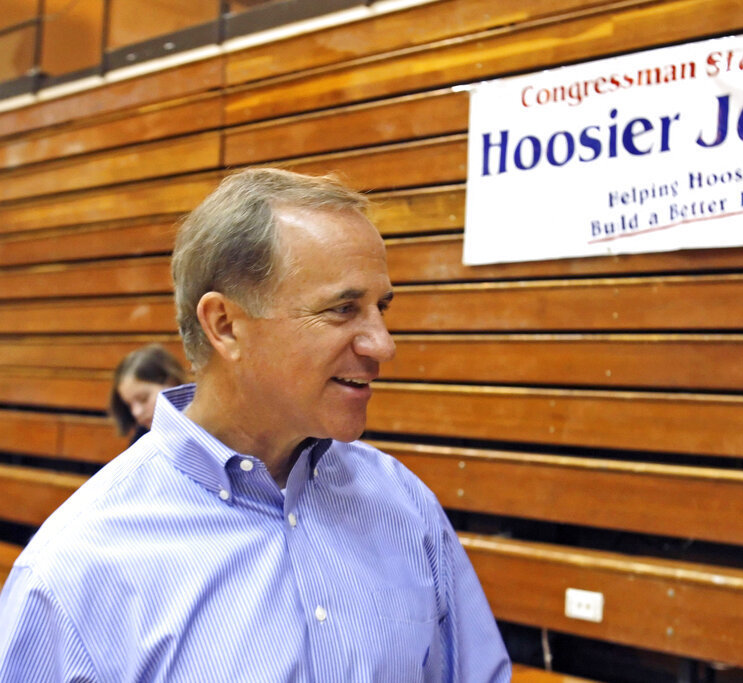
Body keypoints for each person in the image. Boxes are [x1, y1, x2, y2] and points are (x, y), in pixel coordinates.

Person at [0, 168, 511, 681]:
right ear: (225, 326)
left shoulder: (403, 506)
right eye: (343, 309)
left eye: (381, 308)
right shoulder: (72, 574)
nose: (383, 344)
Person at [109, 343, 187, 443]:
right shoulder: (140, 439)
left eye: (143, 399)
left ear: (172, 382)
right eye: (129, 405)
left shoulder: (201, 425)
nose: (136, 412)